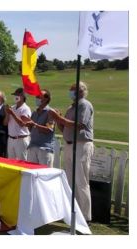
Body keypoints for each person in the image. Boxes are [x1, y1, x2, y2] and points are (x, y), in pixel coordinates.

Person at [57, 81, 94, 222]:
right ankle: (73, 211)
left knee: (81, 181)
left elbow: (80, 125)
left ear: (80, 91)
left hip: (81, 144)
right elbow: (66, 128)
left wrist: (60, 118)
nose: (70, 92)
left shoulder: (84, 105)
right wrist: (59, 120)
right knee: (70, 180)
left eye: (72, 89)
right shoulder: (71, 107)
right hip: (69, 144)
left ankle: (85, 216)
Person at [27, 89, 56, 167]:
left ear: (46, 99)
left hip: (44, 149)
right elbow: (31, 129)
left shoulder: (50, 112)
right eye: (36, 97)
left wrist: (35, 125)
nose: (37, 98)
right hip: (33, 146)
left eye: (39, 97)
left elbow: (49, 129)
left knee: (45, 175)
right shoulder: (35, 112)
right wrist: (28, 124)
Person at [4, 88, 32, 160]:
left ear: (23, 97)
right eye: (15, 95)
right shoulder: (12, 108)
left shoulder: (26, 109)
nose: (15, 96)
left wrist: (12, 113)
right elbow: (5, 123)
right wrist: (7, 113)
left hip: (21, 139)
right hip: (11, 139)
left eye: (18, 95)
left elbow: (22, 124)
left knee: (22, 162)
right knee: (11, 162)